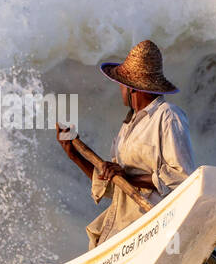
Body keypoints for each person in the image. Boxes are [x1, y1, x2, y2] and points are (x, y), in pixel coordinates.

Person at [57, 39, 195, 249]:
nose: (120, 89)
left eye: (121, 84)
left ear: (132, 88)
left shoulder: (167, 116)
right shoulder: (127, 128)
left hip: (149, 227)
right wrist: (73, 154)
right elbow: (115, 187)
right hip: (120, 230)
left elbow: (182, 178)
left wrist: (127, 176)